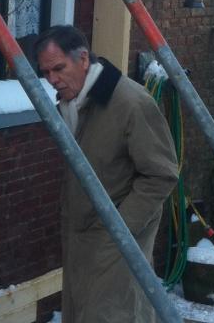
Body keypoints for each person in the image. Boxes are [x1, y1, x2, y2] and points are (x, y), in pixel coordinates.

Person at [34, 25, 178, 323]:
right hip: (81, 239)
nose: (52, 80)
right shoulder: (72, 104)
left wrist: (120, 227)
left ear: (83, 59)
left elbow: (161, 174)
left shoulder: (130, 103)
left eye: (59, 68)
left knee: (116, 314)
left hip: (120, 240)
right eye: (46, 73)